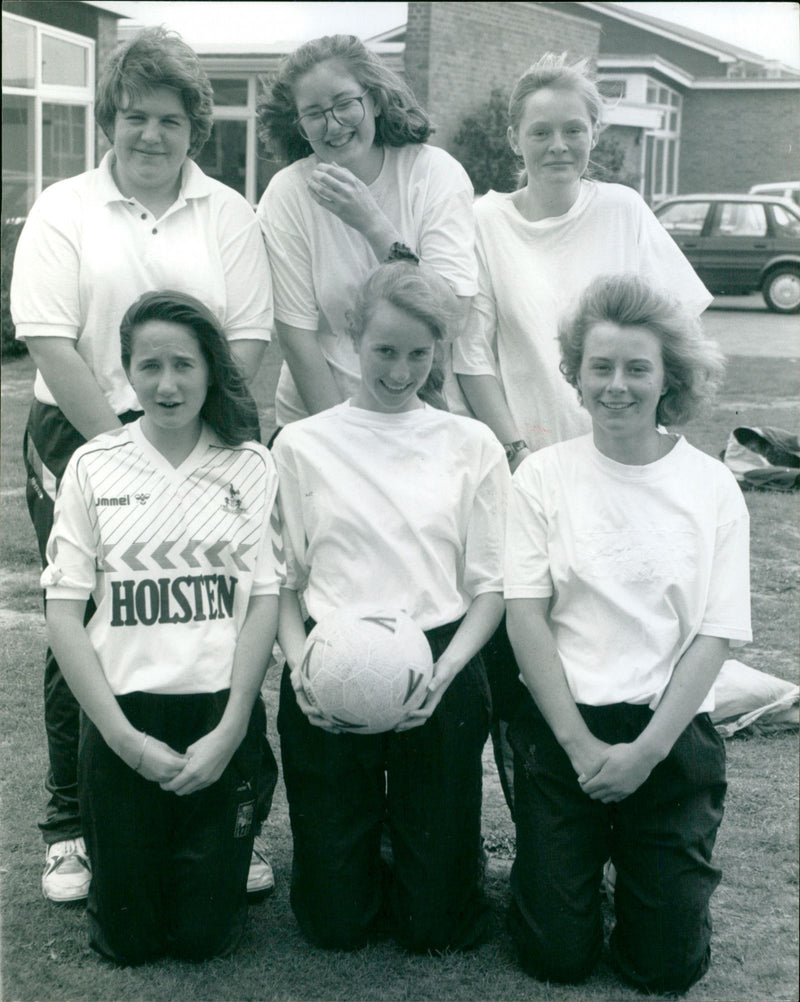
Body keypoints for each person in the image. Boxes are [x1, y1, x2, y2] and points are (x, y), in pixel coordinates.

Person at [10, 26, 275, 902]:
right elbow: (49, 339)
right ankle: (72, 826)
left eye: (169, 119)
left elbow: (241, 344)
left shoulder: (228, 213)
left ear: (195, 127)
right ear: (108, 122)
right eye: (133, 117)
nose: (151, 135)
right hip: (82, 441)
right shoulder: (65, 208)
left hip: (204, 443)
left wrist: (198, 449)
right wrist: (122, 455)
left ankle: (222, 816)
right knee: (84, 621)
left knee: (213, 610)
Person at [452, 52, 713, 814]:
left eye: (574, 128)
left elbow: (678, 330)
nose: (559, 144)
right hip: (526, 467)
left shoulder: (625, 212)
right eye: (542, 130)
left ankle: (630, 816)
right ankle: (546, 820)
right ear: (514, 137)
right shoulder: (483, 222)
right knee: (525, 641)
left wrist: (649, 433)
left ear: (595, 131)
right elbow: (474, 356)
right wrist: (519, 452)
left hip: (624, 461)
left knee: (615, 631)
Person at [504, 274, 751, 994]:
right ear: (575, 376)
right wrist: (579, 744)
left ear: (669, 376)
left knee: (664, 968)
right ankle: (568, 877)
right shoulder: (543, 478)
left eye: (637, 368)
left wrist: (646, 752)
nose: (617, 386)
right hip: (563, 733)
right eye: (600, 367)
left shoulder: (711, 487)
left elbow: (715, 635)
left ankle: (657, 881)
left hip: (669, 738)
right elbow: (526, 617)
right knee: (557, 957)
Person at [272, 261, 509, 953]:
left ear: (438, 352)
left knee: (434, 927)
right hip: (330, 661)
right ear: (353, 340)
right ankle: (358, 846)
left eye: (418, 353)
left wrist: (447, 671)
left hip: (440, 659)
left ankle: (425, 852)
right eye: (384, 351)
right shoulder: (303, 443)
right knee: (334, 926)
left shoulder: (471, 444)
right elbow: (284, 583)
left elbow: (490, 588)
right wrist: (300, 669)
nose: (401, 370)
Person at [41, 291, 282, 965]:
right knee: (128, 942)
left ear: (210, 368)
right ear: (126, 371)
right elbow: (62, 614)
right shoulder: (95, 465)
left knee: (205, 939)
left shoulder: (251, 464)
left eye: (183, 364)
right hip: (124, 721)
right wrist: (121, 737)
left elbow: (264, 601)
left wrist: (232, 728)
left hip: (216, 717)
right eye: (149, 366)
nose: (167, 384)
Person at [256, 33, 477, 428]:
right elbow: (297, 337)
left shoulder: (434, 174)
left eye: (345, 104)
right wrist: (339, 438)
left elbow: (452, 317)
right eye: (314, 113)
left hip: (420, 415)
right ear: (299, 122)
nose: (333, 124)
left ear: (374, 100)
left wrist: (372, 222)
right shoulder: (287, 193)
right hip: (320, 416)